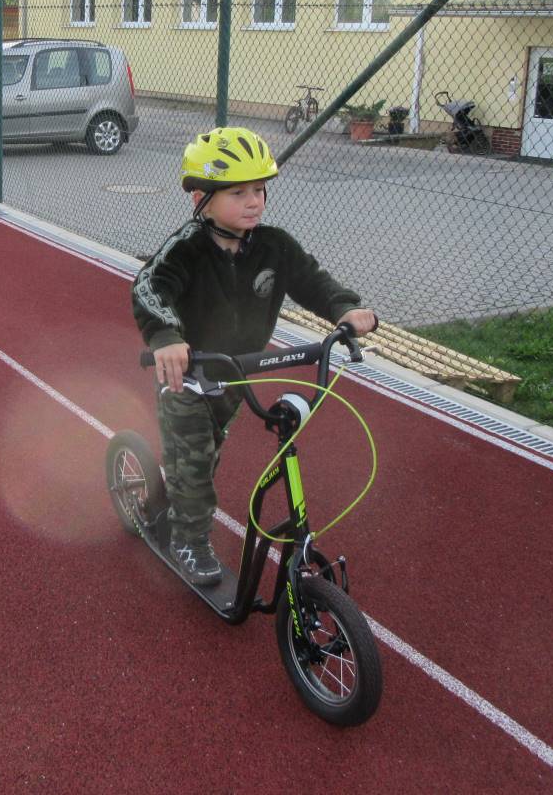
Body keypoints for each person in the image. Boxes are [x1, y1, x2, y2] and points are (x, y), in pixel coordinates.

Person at [132, 126, 377, 585]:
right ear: (200, 199)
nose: (254, 202)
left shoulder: (274, 246)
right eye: (238, 192)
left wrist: (344, 307)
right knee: (196, 467)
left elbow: (312, 280)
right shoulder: (186, 249)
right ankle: (189, 540)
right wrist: (164, 335)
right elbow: (150, 287)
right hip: (186, 377)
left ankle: (169, 492)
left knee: (206, 455)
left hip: (235, 377)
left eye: (260, 190)